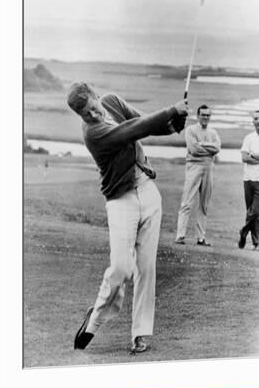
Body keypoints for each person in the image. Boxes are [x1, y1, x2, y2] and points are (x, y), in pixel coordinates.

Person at [67, 82, 188, 353]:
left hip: (147, 191)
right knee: (121, 268)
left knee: (147, 268)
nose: (94, 115)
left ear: (97, 96)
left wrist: (171, 125)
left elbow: (141, 120)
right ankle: (94, 320)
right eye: (86, 114)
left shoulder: (112, 101)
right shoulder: (94, 133)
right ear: (81, 116)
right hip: (121, 200)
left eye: (93, 107)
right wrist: (171, 109)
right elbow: (131, 131)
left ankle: (141, 334)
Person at [175, 105, 221, 247]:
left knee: (204, 204)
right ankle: (180, 235)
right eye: (203, 115)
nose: (205, 118)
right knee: (187, 201)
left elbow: (217, 148)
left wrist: (203, 145)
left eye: (208, 115)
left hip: (209, 168)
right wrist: (209, 149)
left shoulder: (213, 132)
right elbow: (194, 149)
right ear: (198, 115)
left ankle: (201, 238)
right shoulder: (191, 130)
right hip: (194, 167)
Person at [238, 110, 259, 251]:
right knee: (253, 213)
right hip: (248, 179)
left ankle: (243, 231)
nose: (258, 121)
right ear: (253, 122)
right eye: (255, 119)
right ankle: (257, 243)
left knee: (254, 211)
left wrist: (253, 155)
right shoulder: (248, 138)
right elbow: (244, 158)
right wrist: (257, 158)